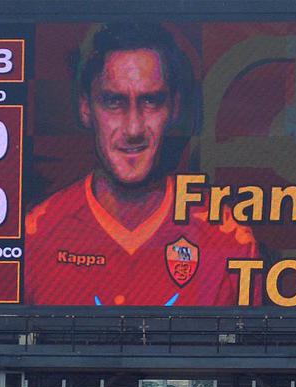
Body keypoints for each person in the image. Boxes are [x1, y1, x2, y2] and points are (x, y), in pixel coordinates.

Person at [23, 22, 258, 307]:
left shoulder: (228, 240)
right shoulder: (36, 236)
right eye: (113, 102)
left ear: (174, 107)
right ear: (85, 107)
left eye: (150, 101)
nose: (133, 128)